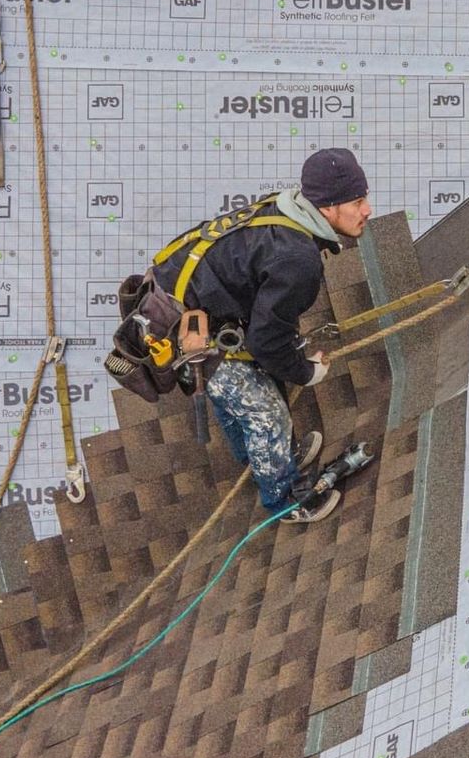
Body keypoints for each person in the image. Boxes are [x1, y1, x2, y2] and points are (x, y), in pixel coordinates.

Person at [153, 149, 373, 525]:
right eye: (356, 201)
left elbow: (265, 321)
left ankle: (265, 458)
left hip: (179, 301)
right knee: (266, 414)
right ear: (326, 208)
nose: (367, 209)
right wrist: (307, 371)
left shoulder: (286, 211)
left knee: (252, 387)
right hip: (179, 327)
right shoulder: (298, 259)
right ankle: (284, 500)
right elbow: (267, 343)